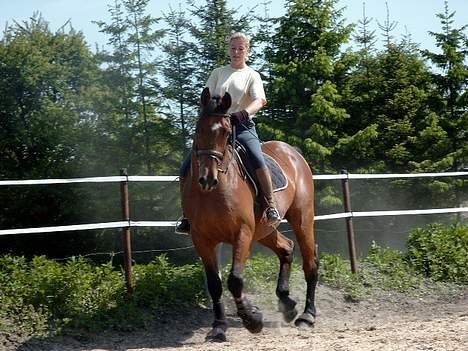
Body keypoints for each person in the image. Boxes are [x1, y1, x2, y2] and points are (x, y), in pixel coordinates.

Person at [175, 32, 281, 234]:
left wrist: (242, 114)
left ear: (247, 51)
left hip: (241, 126)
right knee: (186, 165)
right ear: (228, 50)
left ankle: (270, 205)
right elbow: (207, 97)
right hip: (217, 128)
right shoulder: (218, 72)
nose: (236, 52)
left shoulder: (252, 75)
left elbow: (259, 101)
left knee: (257, 158)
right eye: (233, 48)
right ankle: (187, 215)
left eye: (241, 48)